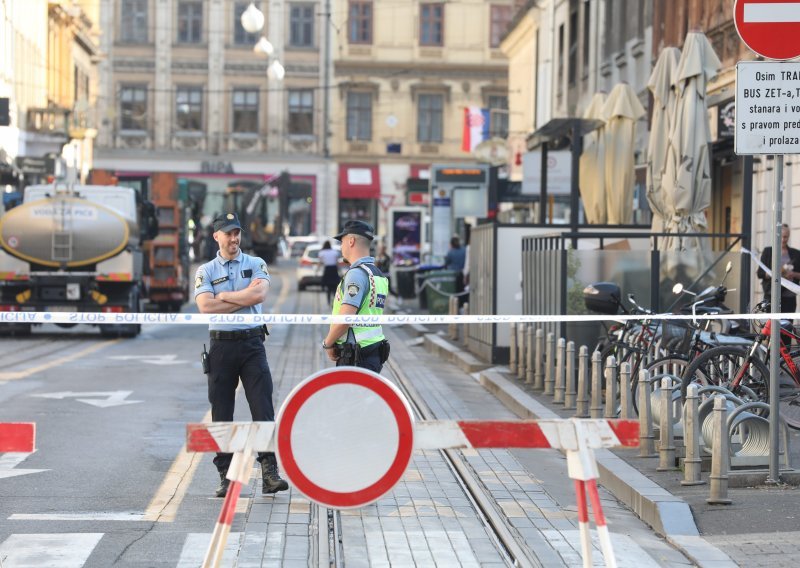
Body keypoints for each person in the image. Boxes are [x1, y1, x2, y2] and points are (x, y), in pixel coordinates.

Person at [194, 213, 288, 498]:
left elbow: (258, 296)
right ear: (216, 237)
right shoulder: (205, 270)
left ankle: (270, 473)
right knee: (222, 413)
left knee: (263, 409)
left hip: (252, 344)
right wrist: (239, 297)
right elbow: (205, 307)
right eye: (228, 233)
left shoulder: (256, 263)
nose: (234, 238)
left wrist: (222, 296)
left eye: (237, 233)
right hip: (221, 347)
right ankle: (227, 476)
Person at [322, 220, 391, 373]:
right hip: (372, 352)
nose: (341, 247)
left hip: (355, 356)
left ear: (351, 241)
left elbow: (346, 318)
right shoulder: (377, 274)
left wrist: (328, 343)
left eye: (342, 242)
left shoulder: (356, 275)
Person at [757, 223, 800, 312]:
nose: (783, 239)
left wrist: (793, 274)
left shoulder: (796, 253)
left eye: (786, 237)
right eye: (781, 236)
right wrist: (774, 273)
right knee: (771, 324)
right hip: (772, 295)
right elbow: (760, 273)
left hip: (789, 296)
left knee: (787, 325)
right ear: (776, 235)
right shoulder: (768, 251)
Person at [444, 236, 467, 305]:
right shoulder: (464, 250)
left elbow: (446, 263)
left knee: (454, 292)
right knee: (462, 291)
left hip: (453, 276)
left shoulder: (451, 252)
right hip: (463, 274)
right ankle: (462, 305)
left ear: (451, 244)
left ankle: (455, 306)